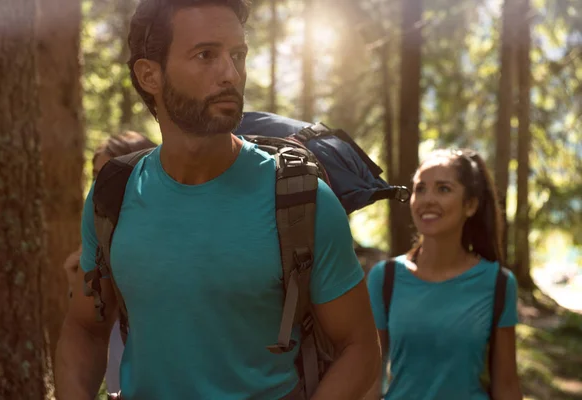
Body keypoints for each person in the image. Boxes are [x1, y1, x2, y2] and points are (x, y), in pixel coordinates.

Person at [55, 1, 380, 399]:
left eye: (238, 55)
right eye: (206, 55)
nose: (231, 74)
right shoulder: (113, 194)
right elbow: (85, 328)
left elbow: (359, 347)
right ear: (149, 75)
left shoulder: (301, 198)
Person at [366, 148, 523, 399]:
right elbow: (369, 381)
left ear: (470, 205)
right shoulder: (384, 278)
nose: (428, 199)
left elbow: (507, 386)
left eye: (443, 189)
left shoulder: (499, 284)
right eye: (420, 188)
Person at [62, 131, 157, 394]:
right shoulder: (97, 231)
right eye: (96, 175)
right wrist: (76, 283)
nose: (101, 186)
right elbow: (88, 329)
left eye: (111, 174)